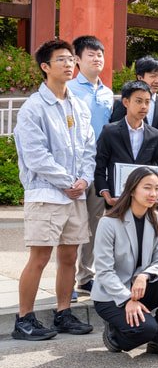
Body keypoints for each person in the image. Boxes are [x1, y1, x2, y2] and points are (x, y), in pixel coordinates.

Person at [12, 39, 96, 340]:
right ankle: (24, 319)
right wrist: (67, 182)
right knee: (39, 257)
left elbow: (89, 147)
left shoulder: (78, 105)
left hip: (75, 193)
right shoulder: (33, 108)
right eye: (61, 59)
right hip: (46, 194)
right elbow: (35, 155)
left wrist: (84, 180)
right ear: (45, 67)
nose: (69, 63)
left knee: (70, 256)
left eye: (71, 59)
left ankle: (63, 313)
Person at [93, 168, 158, 358]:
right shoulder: (108, 222)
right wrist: (127, 299)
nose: (153, 194)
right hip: (112, 295)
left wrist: (144, 275)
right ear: (132, 190)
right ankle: (115, 335)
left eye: (157, 188)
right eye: (147, 188)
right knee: (144, 330)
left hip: (141, 288)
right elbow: (103, 271)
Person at [68, 36, 113, 299]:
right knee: (71, 224)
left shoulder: (108, 93)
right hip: (75, 167)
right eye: (91, 55)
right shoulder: (69, 89)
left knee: (94, 224)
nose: (97, 59)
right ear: (77, 60)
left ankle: (85, 277)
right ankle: (65, 281)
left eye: (100, 55)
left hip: (99, 167)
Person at [94, 81, 158, 212]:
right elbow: (100, 166)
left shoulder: (155, 135)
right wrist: (107, 196)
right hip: (117, 201)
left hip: (145, 203)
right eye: (138, 101)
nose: (144, 106)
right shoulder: (110, 131)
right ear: (126, 102)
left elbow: (157, 167)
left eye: (147, 102)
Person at [109, 55, 158, 153]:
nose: (157, 81)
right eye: (153, 76)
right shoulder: (124, 103)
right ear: (140, 77)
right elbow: (115, 133)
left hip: (155, 163)